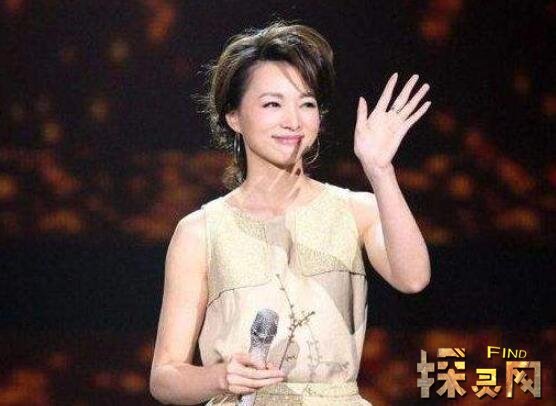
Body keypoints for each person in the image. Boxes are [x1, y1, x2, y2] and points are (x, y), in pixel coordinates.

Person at [149, 19, 431, 405]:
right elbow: (165, 377)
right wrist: (219, 376)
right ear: (234, 116)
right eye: (272, 104)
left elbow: (413, 278)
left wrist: (380, 171)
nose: (293, 121)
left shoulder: (356, 210)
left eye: (307, 103)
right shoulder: (201, 231)